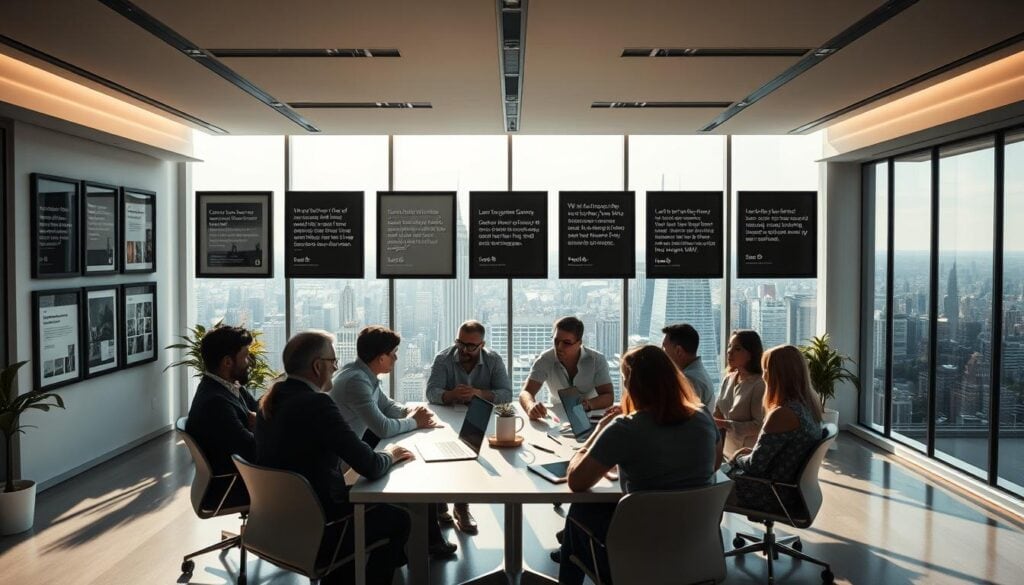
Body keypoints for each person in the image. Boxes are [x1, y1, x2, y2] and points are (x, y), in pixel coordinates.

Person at [255, 331, 413, 585]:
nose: (336, 368)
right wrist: (391, 455)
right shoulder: (317, 404)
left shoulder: (271, 399)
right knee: (399, 518)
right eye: (333, 362)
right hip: (322, 526)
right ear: (318, 367)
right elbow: (371, 466)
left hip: (277, 524)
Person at [556, 345, 721, 585]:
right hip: (694, 546)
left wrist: (600, 430)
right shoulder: (703, 415)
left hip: (639, 552)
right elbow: (714, 464)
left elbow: (576, 481)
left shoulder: (625, 429)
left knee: (580, 512)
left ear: (632, 384)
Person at [329, 325, 456, 557]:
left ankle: (431, 533)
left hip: (353, 452)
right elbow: (384, 427)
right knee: (414, 470)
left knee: (412, 460)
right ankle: (429, 540)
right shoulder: (356, 381)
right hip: (342, 467)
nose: (396, 358)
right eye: (393, 353)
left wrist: (412, 412)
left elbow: (387, 406)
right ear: (380, 358)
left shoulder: (361, 373)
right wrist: (416, 422)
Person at [425, 319, 512, 534]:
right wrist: (450, 395)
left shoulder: (493, 360)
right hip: (447, 418)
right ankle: (445, 504)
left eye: (470, 346)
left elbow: (507, 394)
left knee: (472, 455)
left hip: (480, 419)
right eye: (460, 343)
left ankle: (460, 506)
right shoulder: (443, 358)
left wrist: (479, 394)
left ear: (481, 345)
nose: (463, 349)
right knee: (446, 456)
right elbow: (431, 392)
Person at [726, 345, 824, 515]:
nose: (763, 376)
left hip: (772, 494)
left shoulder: (782, 415)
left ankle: (708, 539)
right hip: (791, 491)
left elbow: (754, 466)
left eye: (765, 370)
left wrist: (738, 456)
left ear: (777, 375)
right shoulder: (808, 405)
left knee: (708, 487)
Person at [185, 325, 258, 507]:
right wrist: (259, 426)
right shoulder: (215, 402)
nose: (250, 362)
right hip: (232, 485)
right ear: (227, 362)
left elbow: (258, 409)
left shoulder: (228, 386)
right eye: (245, 356)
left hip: (241, 475)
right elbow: (251, 450)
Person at [519, 316, 614, 420]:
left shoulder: (597, 359)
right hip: (557, 417)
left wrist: (587, 405)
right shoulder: (545, 359)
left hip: (590, 415)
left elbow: (608, 396)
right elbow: (526, 392)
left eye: (566, 343)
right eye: (556, 341)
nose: (559, 347)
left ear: (579, 343)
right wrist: (530, 406)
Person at [714, 330, 766, 457]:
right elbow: (718, 411)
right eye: (729, 346)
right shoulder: (729, 378)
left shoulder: (759, 385)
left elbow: (759, 425)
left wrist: (726, 424)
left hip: (746, 455)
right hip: (724, 452)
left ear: (750, 354)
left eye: (737, 348)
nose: (729, 351)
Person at [661, 323, 716, 406]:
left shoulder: (690, 380)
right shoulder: (697, 374)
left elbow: (680, 416)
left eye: (664, 348)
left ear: (678, 351)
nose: (662, 352)